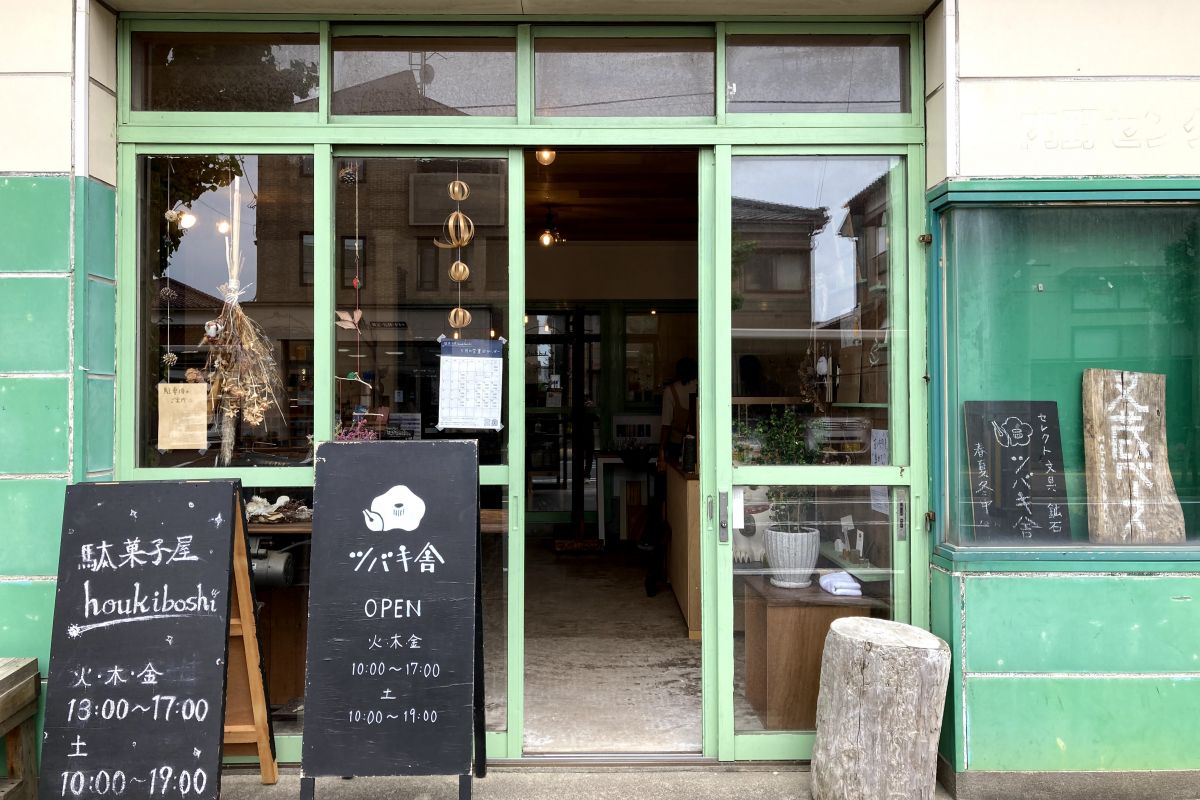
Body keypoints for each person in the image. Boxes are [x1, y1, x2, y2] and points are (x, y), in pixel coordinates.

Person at [646, 357, 697, 596]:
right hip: (698, 449)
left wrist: (661, 453)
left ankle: (657, 550)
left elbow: (665, 425)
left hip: (677, 449)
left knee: (665, 499)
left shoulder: (671, 391)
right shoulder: (702, 385)